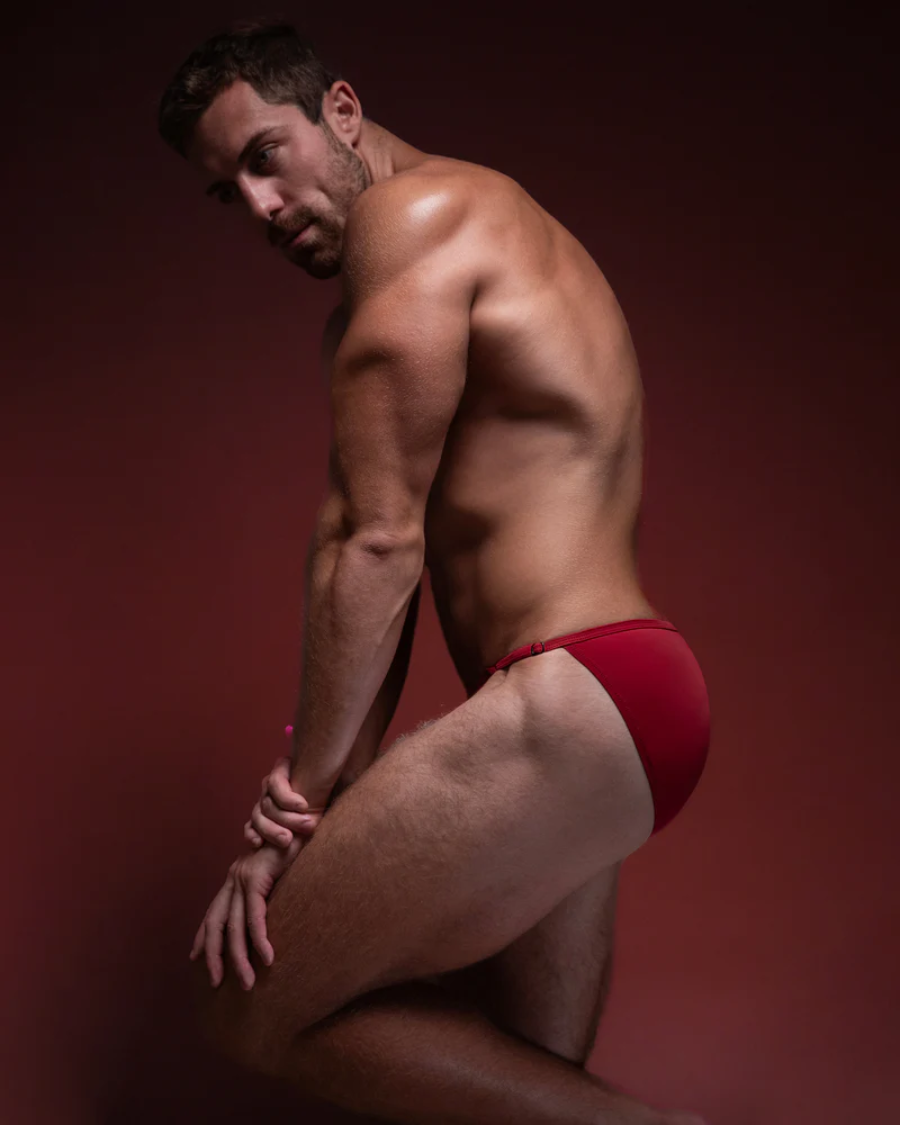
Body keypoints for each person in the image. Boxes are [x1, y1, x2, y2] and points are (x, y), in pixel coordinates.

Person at [159, 19, 710, 1125]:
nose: (259, 207)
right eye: (229, 192)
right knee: (517, 1081)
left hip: (570, 696)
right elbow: (385, 578)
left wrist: (290, 811)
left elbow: (373, 543)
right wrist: (314, 803)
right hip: (622, 705)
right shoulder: (471, 241)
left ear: (341, 111)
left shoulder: (412, 219)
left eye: (266, 156)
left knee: (242, 1006)